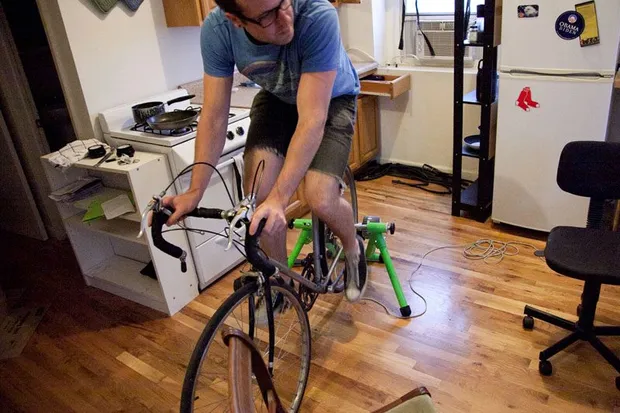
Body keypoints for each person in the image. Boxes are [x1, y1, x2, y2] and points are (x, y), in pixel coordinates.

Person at [162, 0, 367, 302]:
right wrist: (195, 190)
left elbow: (312, 119)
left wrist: (280, 198)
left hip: (332, 99)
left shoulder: (316, 14)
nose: (285, 18)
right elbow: (215, 116)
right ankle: (281, 281)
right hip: (277, 100)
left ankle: (353, 247)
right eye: (268, 15)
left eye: (283, 2)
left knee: (320, 198)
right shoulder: (217, 30)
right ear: (236, 19)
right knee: (260, 204)